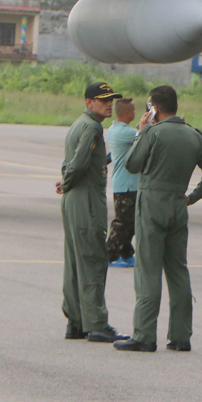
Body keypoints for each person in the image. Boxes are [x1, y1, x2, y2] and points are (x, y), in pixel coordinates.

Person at [113, 85, 202, 352]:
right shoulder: (193, 135)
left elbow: (132, 164)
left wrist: (141, 132)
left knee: (148, 269)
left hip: (152, 204)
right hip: (177, 203)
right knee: (177, 270)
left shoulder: (153, 133)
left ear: (155, 108)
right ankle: (181, 335)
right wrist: (192, 197)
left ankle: (144, 334)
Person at [58, 81, 128, 342]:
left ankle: (76, 321)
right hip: (85, 199)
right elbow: (77, 164)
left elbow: (79, 161)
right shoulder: (92, 127)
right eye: (103, 100)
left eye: (110, 99)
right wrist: (66, 181)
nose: (109, 104)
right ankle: (96, 323)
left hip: (75, 197)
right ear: (89, 102)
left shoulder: (80, 123)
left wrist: (66, 181)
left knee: (76, 262)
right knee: (92, 260)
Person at [105, 96, 140, 268]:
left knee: (130, 221)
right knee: (122, 222)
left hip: (125, 183)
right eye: (133, 110)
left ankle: (126, 253)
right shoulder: (126, 132)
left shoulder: (113, 129)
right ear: (127, 113)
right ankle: (108, 255)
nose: (135, 113)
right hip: (127, 184)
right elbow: (147, 138)